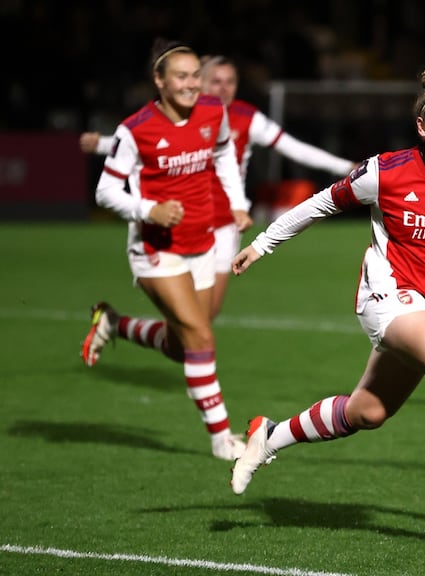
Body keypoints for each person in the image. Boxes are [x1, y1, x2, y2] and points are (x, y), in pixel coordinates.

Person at [227, 65, 425, 529]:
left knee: (366, 411)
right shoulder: (385, 172)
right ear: (422, 127)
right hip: (385, 297)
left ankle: (267, 437)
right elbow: (322, 202)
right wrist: (263, 243)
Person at [81, 54, 357, 320]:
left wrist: (344, 168)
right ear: (200, 81)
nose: (223, 89)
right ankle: (131, 327)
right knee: (192, 326)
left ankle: (119, 325)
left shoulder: (247, 117)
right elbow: (142, 141)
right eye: (216, 81)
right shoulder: (181, 114)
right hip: (180, 221)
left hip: (225, 224)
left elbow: (293, 148)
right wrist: (104, 144)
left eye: (230, 82)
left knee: (202, 320)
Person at [80, 39, 253, 460]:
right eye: (181, 76)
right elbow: (104, 191)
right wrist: (149, 209)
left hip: (202, 242)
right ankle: (222, 439)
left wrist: (237, 202)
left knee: (183, 344)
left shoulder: (214, 111)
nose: (192, 84)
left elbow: (225, 150)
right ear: (159, 81)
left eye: (196, 75)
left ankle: (114, 325)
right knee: (200, 335)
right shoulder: (136, 129)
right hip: (157, 250)